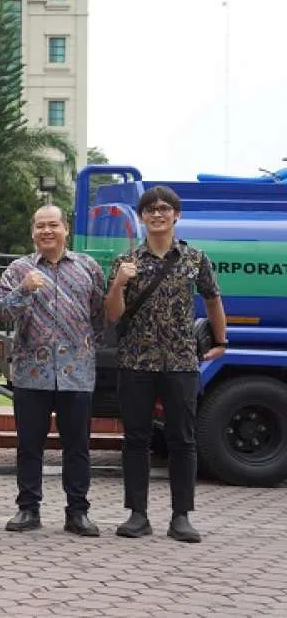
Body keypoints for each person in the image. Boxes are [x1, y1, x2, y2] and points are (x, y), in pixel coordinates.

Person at [106, 185, 226, 543]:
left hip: (180, 361)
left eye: (164, 209)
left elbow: (213, 299)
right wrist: (118, 284)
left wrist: (221, 341)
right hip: (136, 362)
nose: (157, 215)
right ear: (141, 217)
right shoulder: (126, 262)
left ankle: (181, 516)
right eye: (150, 210)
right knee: (136, 439)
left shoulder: (195, 259)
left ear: (177, 215)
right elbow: (113, 316)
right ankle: (137, 514)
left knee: (182, 439)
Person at [0, 205, 104, 537]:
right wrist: (24, 289)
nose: (47, 231)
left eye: (53, 225)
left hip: (77, 372)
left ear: (65, 229)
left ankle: (78, 512)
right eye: (40, 226)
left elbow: (99, 316)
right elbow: (1, 314)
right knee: (29, 445)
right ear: (32, 232)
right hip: (32, 372)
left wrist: (82, 347)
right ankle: (28, 509)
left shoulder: (88, 268)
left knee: (78, 445)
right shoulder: (18, 270)